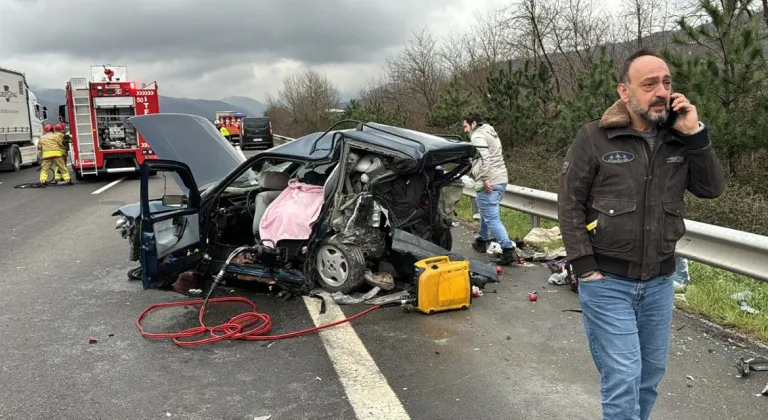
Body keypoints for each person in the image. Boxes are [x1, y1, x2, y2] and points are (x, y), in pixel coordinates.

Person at [557, 48, 724, 420]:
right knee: (623, 376)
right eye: (649, 84)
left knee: (649, 378)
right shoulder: (595, 138)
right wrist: (585, 269)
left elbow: (711, 189)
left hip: (660, 283)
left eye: (666, 82)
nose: (661, 91)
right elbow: (569, 204)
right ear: (625, 92)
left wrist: (695, 134)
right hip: (607, 282)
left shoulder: (679, 139)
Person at [462, 113, 519, 265]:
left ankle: (508, 251)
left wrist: (484, 178)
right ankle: (481, 240)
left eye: (466, 126)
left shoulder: (477, 136)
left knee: (492, 217)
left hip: (489, 181)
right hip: (501, 178)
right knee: (487, 212)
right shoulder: (491, 132)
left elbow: (484, 158)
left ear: (473, 123)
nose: (465, 131)